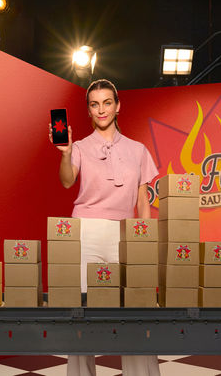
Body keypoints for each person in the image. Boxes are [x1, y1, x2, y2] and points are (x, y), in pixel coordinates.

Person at [55, 79, 161, 376]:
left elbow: (143, 202)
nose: (101, 109)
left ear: (117, 106)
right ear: (89, 110)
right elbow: (67, 181)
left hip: (123, 234)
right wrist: (65, 153)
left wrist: (144, 242)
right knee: (80, 314)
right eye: (94, 104)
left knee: (137, 311)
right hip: (85, 231)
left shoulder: (138, 149)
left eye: (107, 102)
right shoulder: (79, 147)